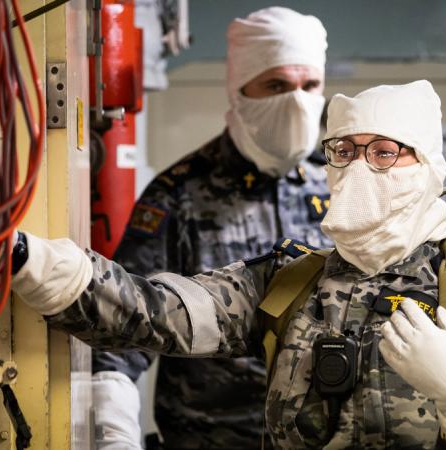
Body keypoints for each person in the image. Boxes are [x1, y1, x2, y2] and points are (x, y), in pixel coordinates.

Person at [11, 80, 446, 449]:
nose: (360, 166)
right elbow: (159, 312)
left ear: (427, 166)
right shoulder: (288, 284)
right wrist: (25, 258)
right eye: (344, 149)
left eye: (384, 151)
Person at [91, 6, 333, 449]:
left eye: (309, 86)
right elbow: (120, 327)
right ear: (240, 90)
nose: (297, 100)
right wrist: (113, 428)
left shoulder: (347, 187)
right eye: (277, 85)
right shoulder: (178, 196)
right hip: (211, 438)